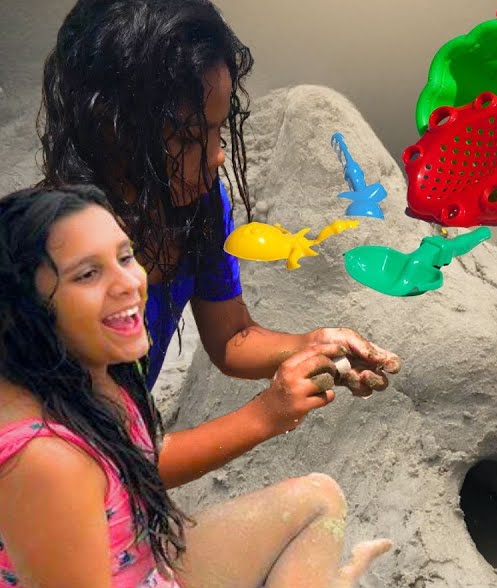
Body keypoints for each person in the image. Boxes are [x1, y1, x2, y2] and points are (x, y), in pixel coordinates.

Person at [0, 185, 413, 588]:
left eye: (125, 257)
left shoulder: (85, 370)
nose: (127, 282)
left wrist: (276, 401)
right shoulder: (43, 458)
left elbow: (131, 470)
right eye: (87, 274)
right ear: (24, 305)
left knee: (318, 500)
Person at [39, 0, 402, 485]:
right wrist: (263, 417)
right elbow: (101, 468)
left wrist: (311, 345)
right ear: (112, 128)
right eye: (190, 139)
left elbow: (231, 337)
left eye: (218, 128)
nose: (216, 157)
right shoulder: (53, 262)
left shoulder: (197, 205)